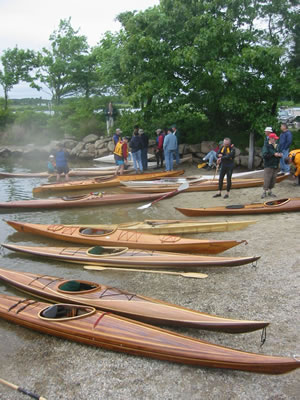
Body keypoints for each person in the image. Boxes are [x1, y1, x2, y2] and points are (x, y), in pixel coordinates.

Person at [261, 133, 282, 198]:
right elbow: (264, 155)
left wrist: (280, 155)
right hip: (268, 165)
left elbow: (278, 153)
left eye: (276, 139)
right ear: (270, 139)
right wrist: (273, 154)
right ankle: (264, 192)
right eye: (274, 139)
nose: (275, 140)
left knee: (273, 179)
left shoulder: (276, 145)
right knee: (267, 179)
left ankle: (270, 192)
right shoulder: (266, 146)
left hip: (275, 165)